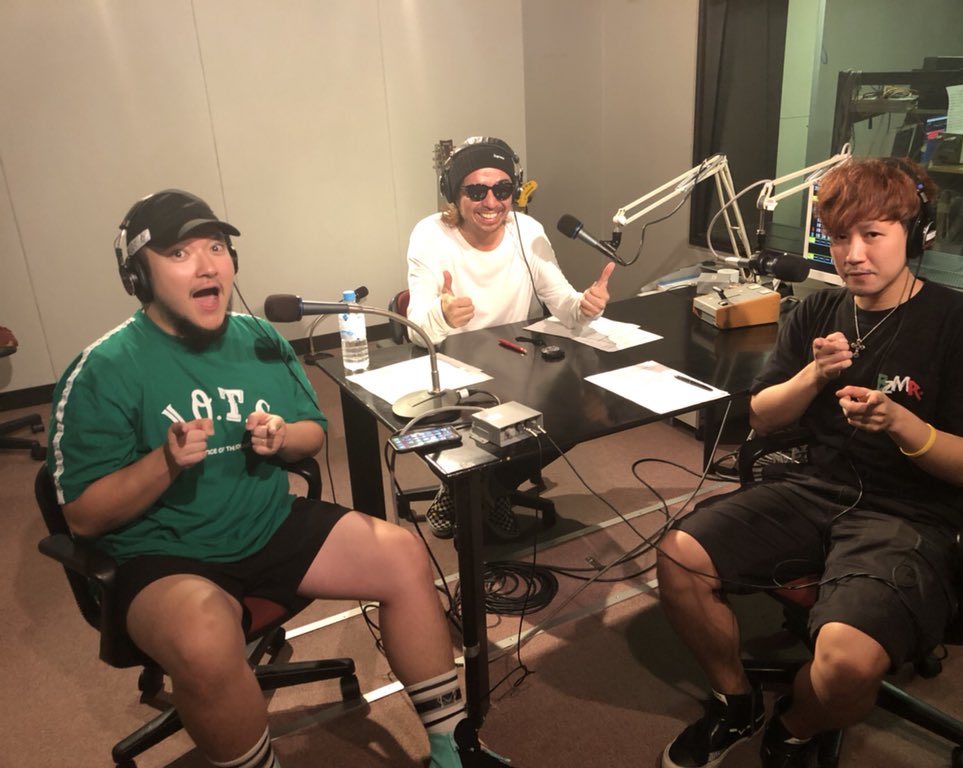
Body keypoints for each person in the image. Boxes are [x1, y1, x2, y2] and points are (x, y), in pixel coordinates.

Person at [48, 189, 511, 768]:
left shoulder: (262, 340)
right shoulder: (103, 370)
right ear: (137, 276)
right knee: (204, 640)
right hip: (163, 553)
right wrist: (163, 463)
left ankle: (452, 748)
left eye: (216, 247)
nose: (207, 266)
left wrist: (282, 436)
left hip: (266, 523)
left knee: (403, 555)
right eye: (179, 253)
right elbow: (83, 516)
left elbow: (313, 434)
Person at [655, 158, 963, 768]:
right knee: (677, 557)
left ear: (916, 233)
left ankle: (793, 728)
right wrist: (814, 374)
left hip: (912, 515)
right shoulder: (819, 311)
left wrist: (900, 422)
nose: (853, 254)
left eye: (872, 234)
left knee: (846, 668)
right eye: (840, 237)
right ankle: (735, 702)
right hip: (815, 486)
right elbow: (762, 417)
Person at [406, 136, 615, 539]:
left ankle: (488, 489)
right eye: (477, 191)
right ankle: (476, 489)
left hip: (518, 364)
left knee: (578, 414)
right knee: (473, 427)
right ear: (454, 194)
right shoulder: (430, 235)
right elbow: (416, 328)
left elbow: (564, 305)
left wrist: (585, 306)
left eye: (502, 189)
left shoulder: (527, 230)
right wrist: (442, 314)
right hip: (456, 373)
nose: (492, 202)